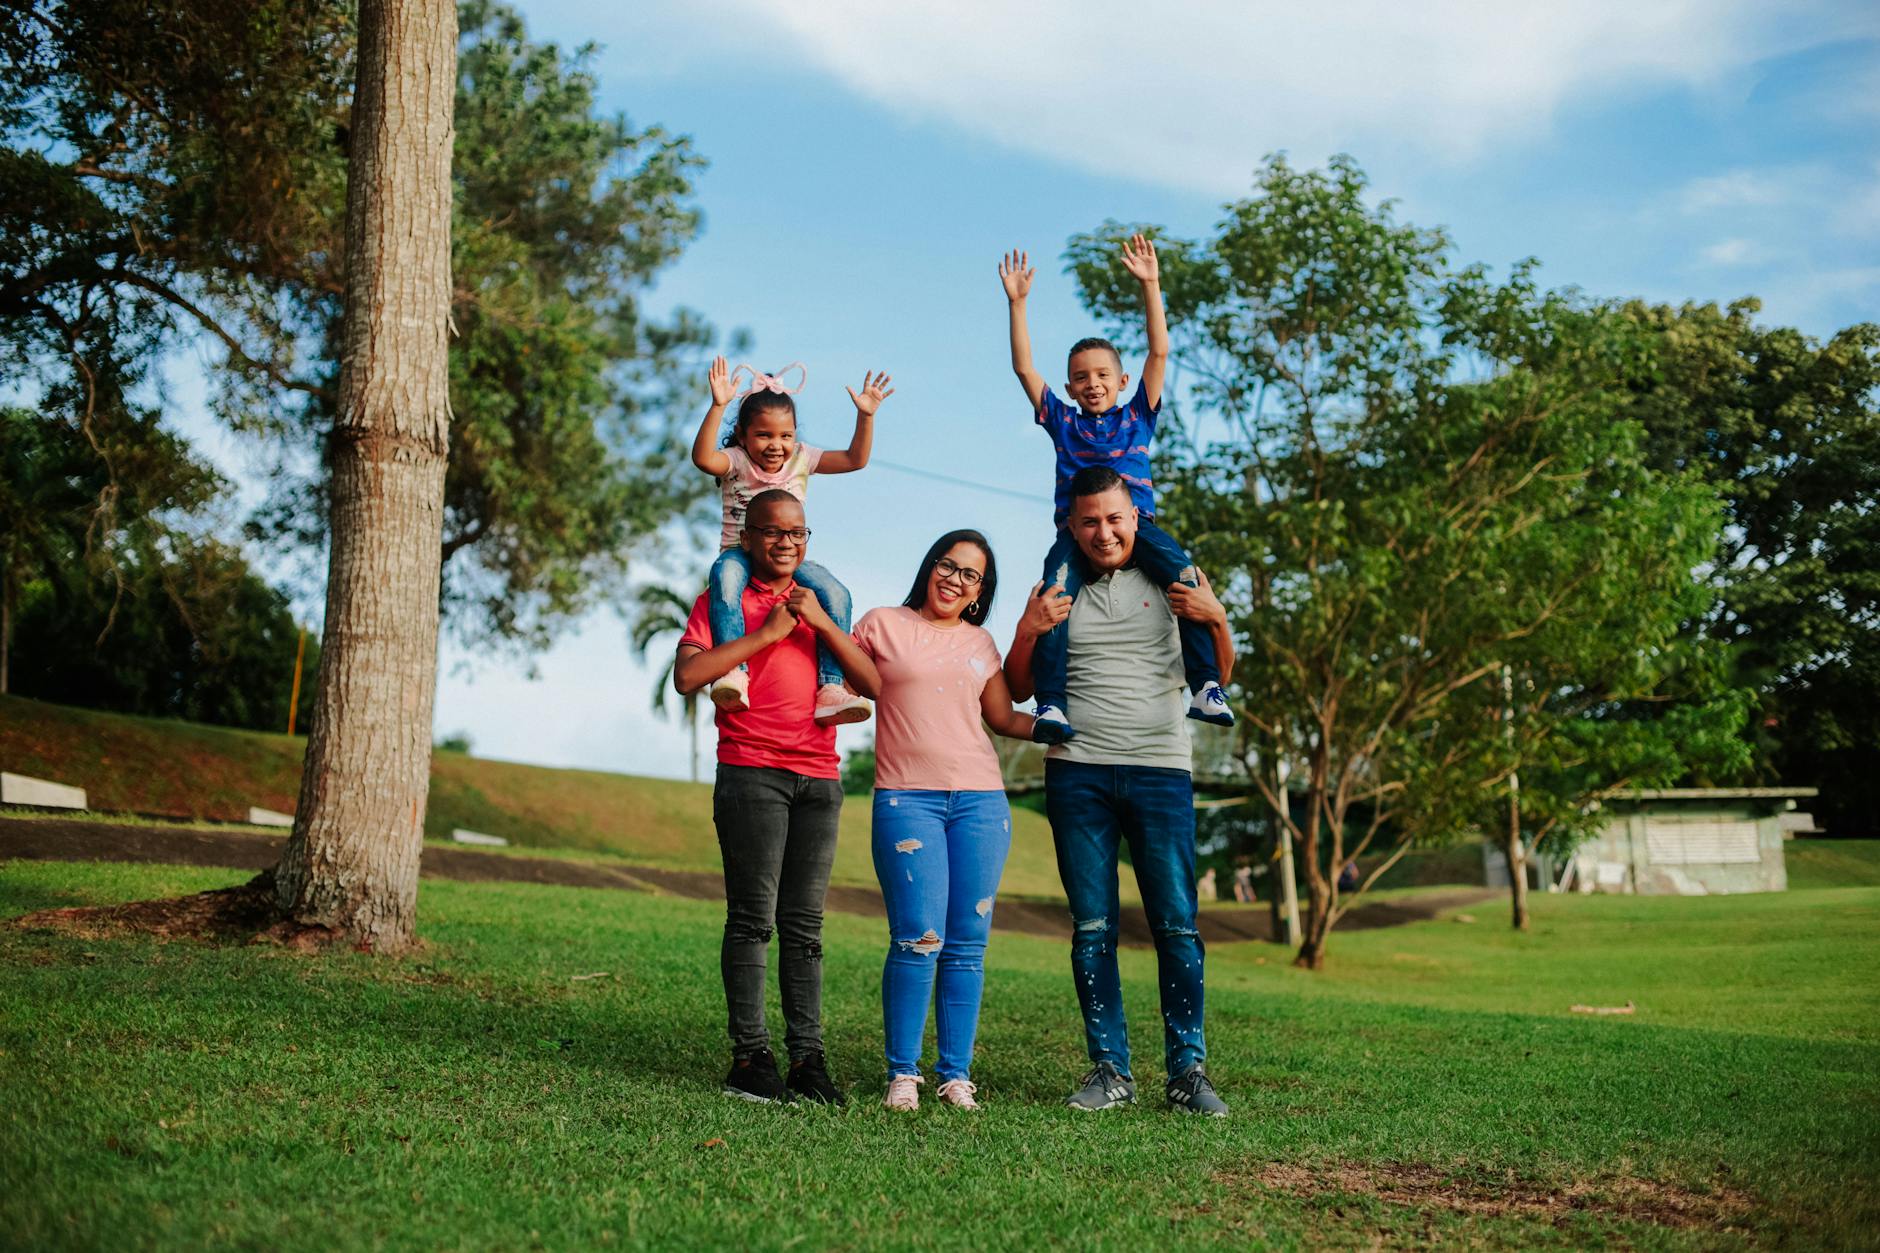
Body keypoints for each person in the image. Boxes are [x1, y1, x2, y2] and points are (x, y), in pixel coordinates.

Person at [1005, 464, 1237, 1117]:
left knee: (1177, 924)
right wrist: (1027, 627)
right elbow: (1019, 686)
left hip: (1161, 768)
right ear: (1071, 525)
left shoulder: (1173, 578)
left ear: (1136, 516)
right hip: (1077, 771)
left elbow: (1219, 673)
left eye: (1114, 518)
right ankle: (1111, 1070)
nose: (1103, 532)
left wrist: (1218, 616)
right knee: (1093, 927)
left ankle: (1188, 1071)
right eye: (1089, 522)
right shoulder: (1058, 586)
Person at [674, 490, 882, 1105]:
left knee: (805, 926)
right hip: (752, 773)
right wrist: (766, 634)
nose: (785, 543)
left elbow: (872, 684)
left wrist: (821, 624)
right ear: (747, 537)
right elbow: (688, 676)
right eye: (772, 532)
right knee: (751, 920)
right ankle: (750, 1058)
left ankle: (807, 1060)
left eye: (797, 533)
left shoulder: (821, 602)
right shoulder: (725, 600)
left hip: (819, 778)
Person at [998, 237, 1233, 743]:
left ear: (1122, 380)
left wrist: (1151, 284)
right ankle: (1052, 702)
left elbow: (1159, 350)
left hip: (1139, 529)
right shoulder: (1063, 422)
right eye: (1080, 377)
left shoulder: (1138, 416)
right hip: (1076, 535)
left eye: (1103, 374)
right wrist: (1018, 305)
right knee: (1054, 593)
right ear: (1069, 387)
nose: (1093, 383)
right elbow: (1023, 368)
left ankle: (1205, 684)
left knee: (1187, 580)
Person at [847, 531, 1043, 1112]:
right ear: (930, 567)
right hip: (907, 801)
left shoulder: (981, 642)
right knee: (917, 938)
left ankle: (956, 1075)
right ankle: (902, 1074)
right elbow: (841, 680)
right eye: (947, 566)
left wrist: (1070, 730)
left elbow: (1003, 718)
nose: (955, 580)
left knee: (967, 946)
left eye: (970, 575)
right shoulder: (882, 624)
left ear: (981, 592)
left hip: (981, 803)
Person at [690, 356, 893, 725]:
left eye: (785, 435)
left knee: (835, 593)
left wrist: (866, 416)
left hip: (787, 559)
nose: (776, 445)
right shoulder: (736, 460)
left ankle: (830, 688)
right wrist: (718, 406)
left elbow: (854, 459)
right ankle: (734, 673)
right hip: (739, 554)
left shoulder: (802, 458)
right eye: (764, 435)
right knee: (725, 579)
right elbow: (704, 459)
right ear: (743, 436)